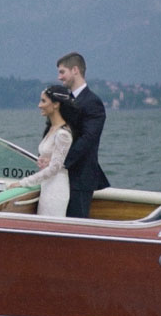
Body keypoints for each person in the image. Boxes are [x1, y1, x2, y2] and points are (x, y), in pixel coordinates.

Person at [51, 51, 110, 218]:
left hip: (81, 179)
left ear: (75, 70)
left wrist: (59, 162)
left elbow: (87, 140)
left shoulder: (93, 102)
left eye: (62, 72)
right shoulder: (64, 101)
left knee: (75, 225)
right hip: (62, 177)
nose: (59, 77)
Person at [8, 85, 76, 217]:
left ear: (56, 104)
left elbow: (54, 169)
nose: (39, 105)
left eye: (43, 101)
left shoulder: (62, 134)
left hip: (56, 190)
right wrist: (44, 160)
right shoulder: (52, 128)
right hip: (47, 187)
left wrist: (22, 182)